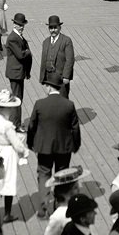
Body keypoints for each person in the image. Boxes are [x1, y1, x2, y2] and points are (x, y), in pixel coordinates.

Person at [26, 74, 81, 220]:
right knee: (61, 175)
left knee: (44, 175)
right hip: (64, 147)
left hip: (44, 147)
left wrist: (30, 143)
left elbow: (32, 126)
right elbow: (75, 127)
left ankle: (43, 210)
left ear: (49, 87)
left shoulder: (39, 104)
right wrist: (76, 144)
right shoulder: (68, 105)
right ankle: (59, 206)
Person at [0, 91, 28, 223]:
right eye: (9, 108)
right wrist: (24, 152)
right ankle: (7, 214)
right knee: (8, 182)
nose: (11, 110)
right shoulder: (6, 125)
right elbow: (16, 144)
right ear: (3, 108)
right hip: (7, 154)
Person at [39, 17, 75, 99]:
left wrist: (66, 76)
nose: (53, 30)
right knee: (51, 100)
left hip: (61, 78)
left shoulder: (66, 41)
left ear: (60, 27)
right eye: (51, 28)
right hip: (49, 78)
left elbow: (70, 60)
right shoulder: (46, 42)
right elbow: (43, 60)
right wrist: (42, 77)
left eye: (55, 27)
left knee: (62, 99)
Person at [5, 13, 32, 102]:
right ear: (14, 25)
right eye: (20, 25)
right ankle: (14, 115)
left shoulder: (18, 36)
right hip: (15, 73)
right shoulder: (13, 38)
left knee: (19, 97)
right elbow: (20, 55)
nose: (22, 27)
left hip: (19, 73)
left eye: (22, 25)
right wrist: (27, 52)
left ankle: (16, 115)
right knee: (17, 99)